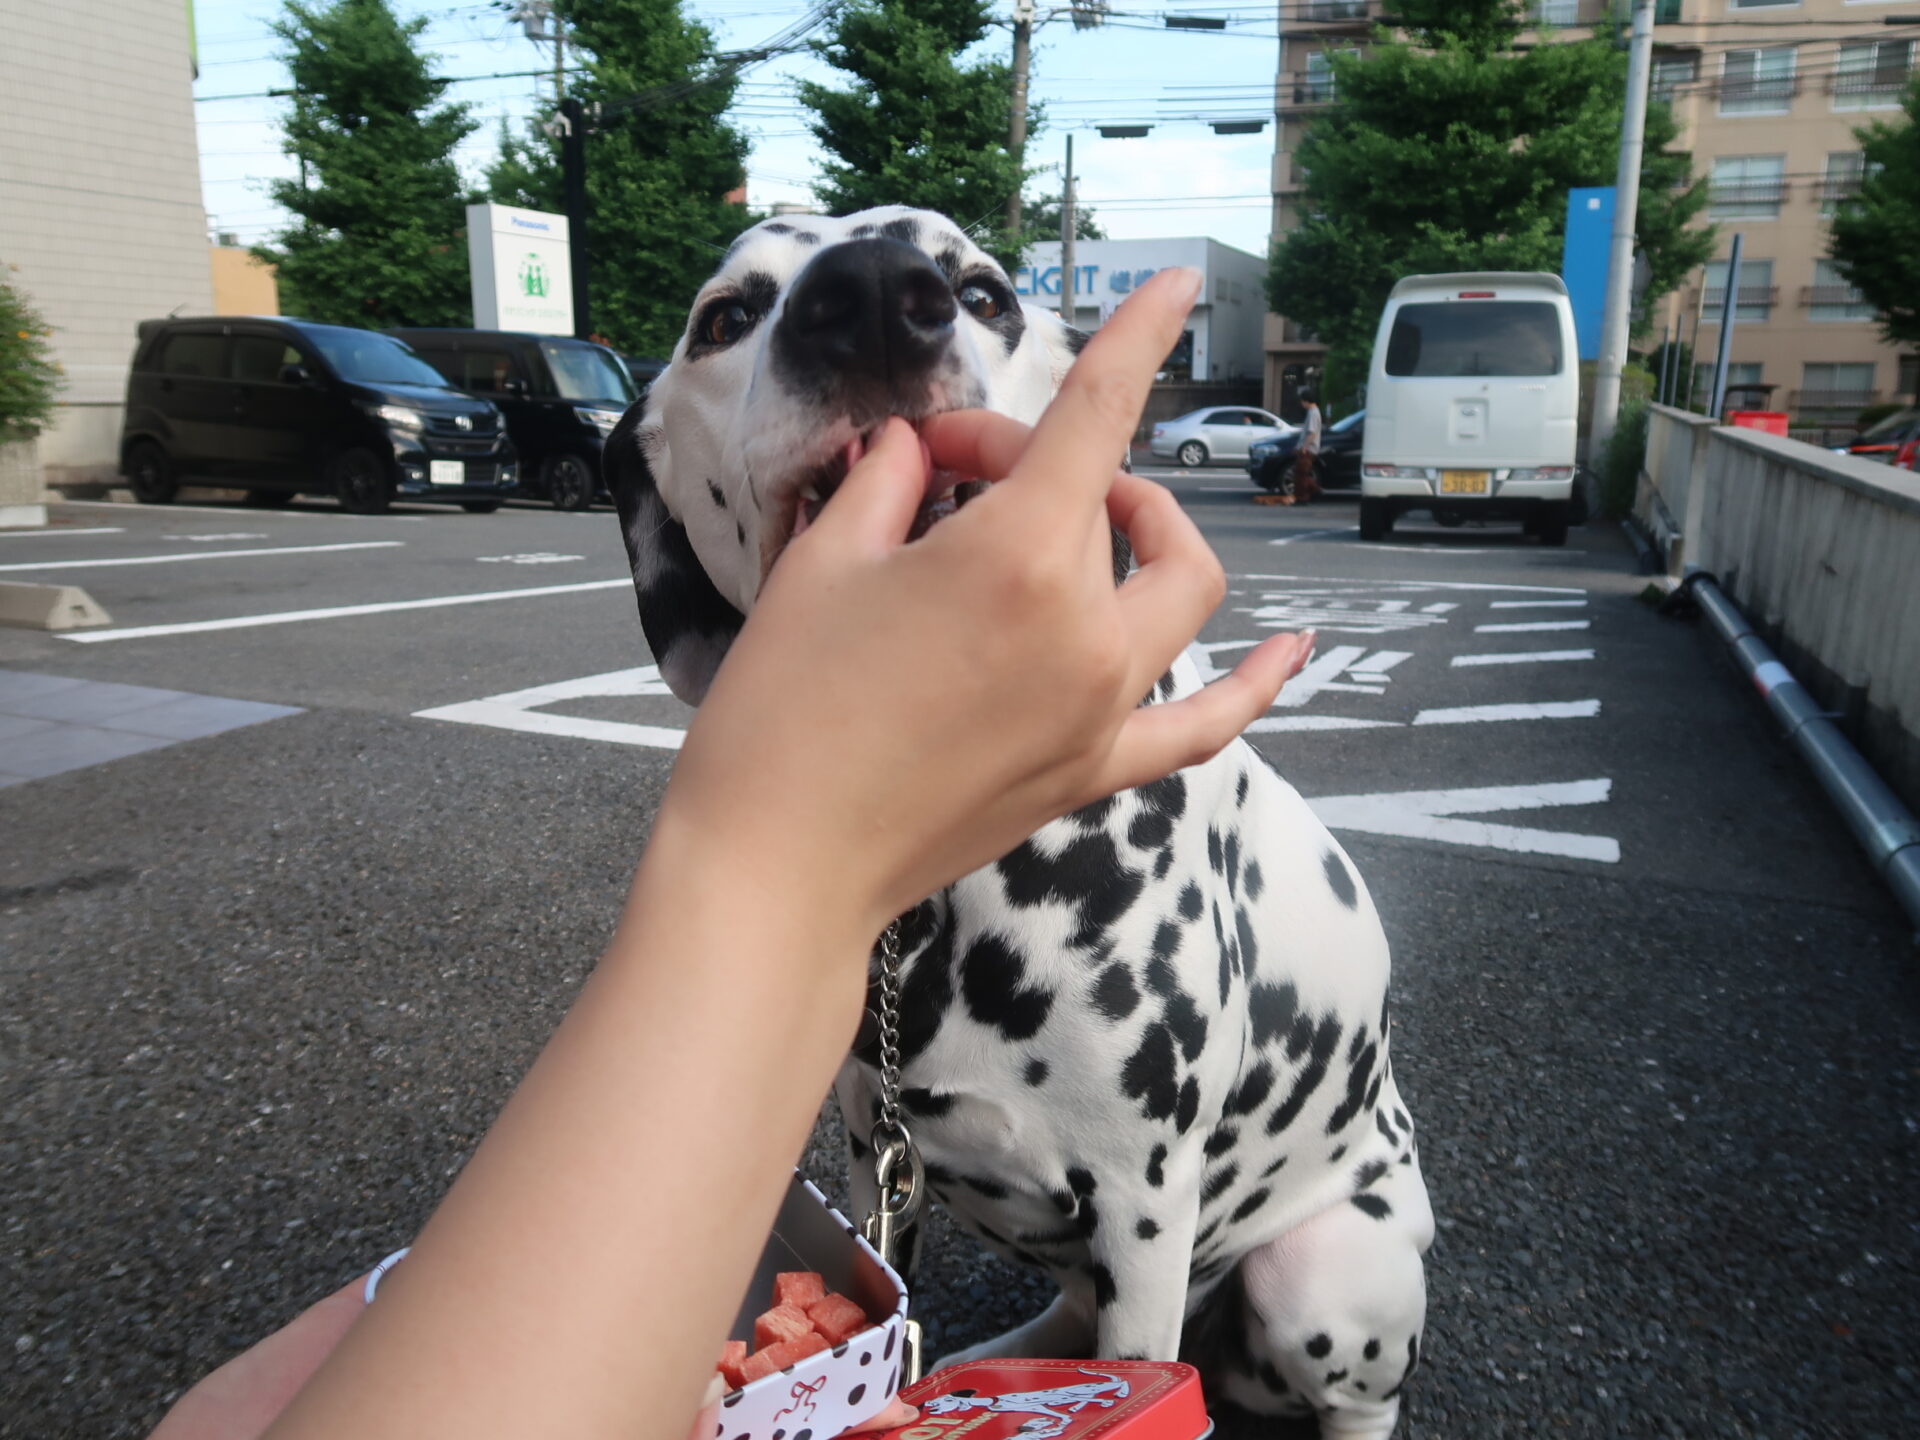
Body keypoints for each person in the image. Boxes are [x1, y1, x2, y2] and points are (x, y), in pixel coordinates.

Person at [146, 268, 1313, 1440]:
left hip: (1279, 1219)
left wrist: (770, 859)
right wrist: (789, 867)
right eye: (732, 319)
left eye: (978, 295)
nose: (870, 315)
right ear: (659, 501)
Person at [1286, 388, 1322, 506]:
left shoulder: (1313, 413)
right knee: (1302, 473)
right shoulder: (1314, 412)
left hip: (1308, 449)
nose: (1301, 404)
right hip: (1309, 448)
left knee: (1301, 475)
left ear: (1306, 401)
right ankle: (1315, 491)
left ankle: (1302, 498)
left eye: (1302, 401)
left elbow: (1312, 433)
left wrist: (1304, 447)